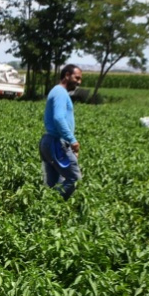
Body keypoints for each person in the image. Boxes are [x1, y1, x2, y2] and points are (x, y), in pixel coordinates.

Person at [40, 64, 83, 200]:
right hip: (56, 143)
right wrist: (72, 140)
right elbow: (58, 118)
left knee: (52, 184)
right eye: (77, 78)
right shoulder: (60, 92)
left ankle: (47, 209)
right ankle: (55, 206)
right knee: (74, 178)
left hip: (49, 142)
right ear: (67, 75)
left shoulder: (57, 91)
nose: (79, 82)